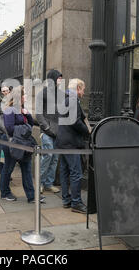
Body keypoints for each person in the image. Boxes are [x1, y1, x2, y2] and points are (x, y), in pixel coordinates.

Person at [1, 86, 42, 203]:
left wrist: (27, 114)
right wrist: (25, 128)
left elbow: (30, 124)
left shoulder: (22, 109)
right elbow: (9, 129)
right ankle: (5, 192)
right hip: (12, 143)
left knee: (27, 169)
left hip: (24, 143)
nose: (26, 97)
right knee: (8, 169)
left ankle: (31, 196)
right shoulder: (9, 109)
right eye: (25, 95)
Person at [55, 79, 90, 214]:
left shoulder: (66, 100)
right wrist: (87, 131)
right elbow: (75, 121)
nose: (84, 92)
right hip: (71, 143)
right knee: (76, 173)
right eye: (83, 89)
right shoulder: (73, 100)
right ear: (78, 88)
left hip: (63, 142)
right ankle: (76, 202)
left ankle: (66, 200)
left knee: (65, 172)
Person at [36, 69, 63, 194]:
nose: (60, 80)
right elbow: (39, 114)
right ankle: (40, 183)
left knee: (55, 158)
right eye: (58, 78)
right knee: (47, 156)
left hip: (58, 133)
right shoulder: (42, 94)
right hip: (47, 132)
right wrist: (46, 128)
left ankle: (48, 183)